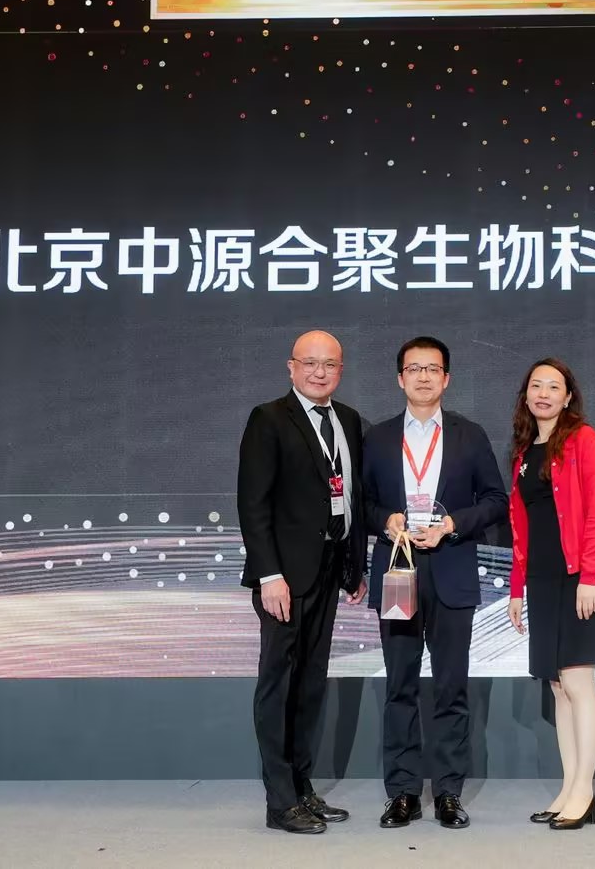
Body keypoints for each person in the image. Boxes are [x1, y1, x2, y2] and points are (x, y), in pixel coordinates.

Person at [362, 336, 508, 829]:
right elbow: (362, 504)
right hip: (398, 570)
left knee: (450, 688)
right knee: (399, 686)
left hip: (451, 569)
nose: (423, 376)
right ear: (399, 378)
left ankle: (448, 792)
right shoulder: (378, 438)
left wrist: (452, 524)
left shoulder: (470, 435)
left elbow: (495, 500)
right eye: (414, 368)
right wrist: (385, 520)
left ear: (446, 378)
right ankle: (402, 792)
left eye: (432, 369)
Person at [238, 330, 368, 834]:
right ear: (291, 367)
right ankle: (279, 801)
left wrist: (353, 566)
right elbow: (253, 504)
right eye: (310, 362)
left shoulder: (348, 420)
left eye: (329, 364)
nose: (319, 372)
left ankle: (302, 787)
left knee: (311, 683)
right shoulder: (269, 419)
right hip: (284, 580)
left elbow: (350, 498)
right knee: (278, 685)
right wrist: (269, 574)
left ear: (341, 370)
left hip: (329, 570)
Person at [504, 357, 595, 830]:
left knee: (578, 682)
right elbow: (521, 529)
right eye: (536, 386)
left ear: (568, 396)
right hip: (542, 580)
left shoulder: (584, 440)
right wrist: (516, 588)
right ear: (526, 395)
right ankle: (570, 788)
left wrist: (589, 575)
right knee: (557, 686)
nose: (544, 394)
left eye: (554, 386)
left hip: (577, 577)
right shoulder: (524, 452)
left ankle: (584, 792)